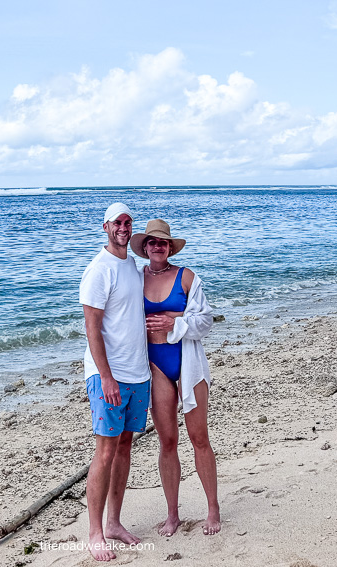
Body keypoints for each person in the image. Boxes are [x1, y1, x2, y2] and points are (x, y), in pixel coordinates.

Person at [130, 218, 221, 537]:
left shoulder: (187, 278)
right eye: (152, 242)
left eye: (163, 242)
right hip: (154, 367)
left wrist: (176, 322)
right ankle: (172, 515)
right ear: (144, 248)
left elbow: (206, 321)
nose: (157, 246)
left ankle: (213, 508)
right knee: (167, 442)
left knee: (199, 438)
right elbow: (119, 316)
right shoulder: (134, 278)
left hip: (188, 364)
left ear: (170, 247)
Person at [80, 202, 152, 561]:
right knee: (105, 451)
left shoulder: (133, 267)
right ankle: (95, 533)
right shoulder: (99, 270)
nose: (124, 227)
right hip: (109, 376)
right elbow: (92, 327)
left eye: (128, 222)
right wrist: (105, 376)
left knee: (125, 447)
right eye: (117, 223)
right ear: (105, 227)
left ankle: (114, 523)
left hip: (138, 374)